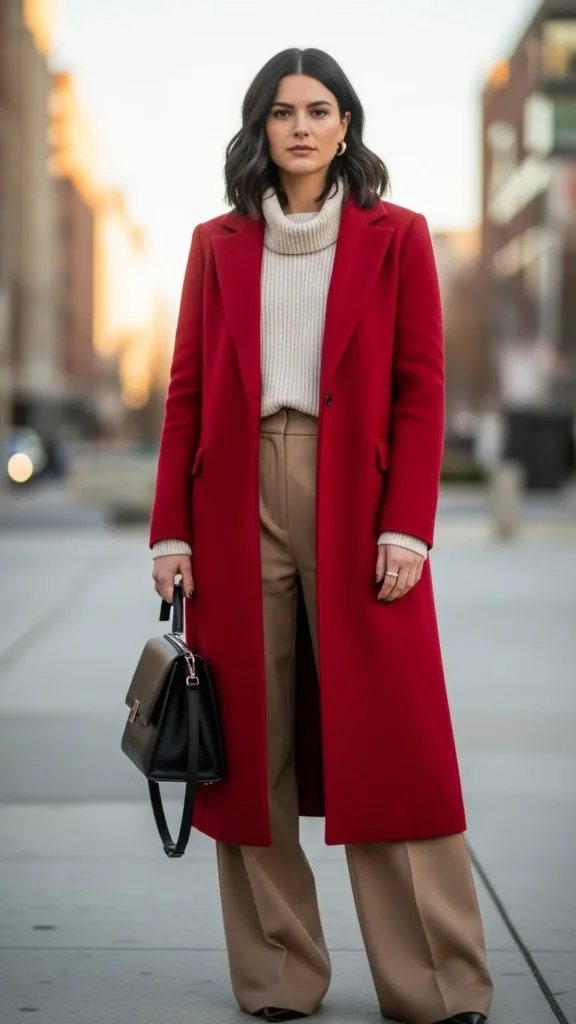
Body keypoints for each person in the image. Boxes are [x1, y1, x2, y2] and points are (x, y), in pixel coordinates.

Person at [150, 47, 494, 1024]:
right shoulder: (216, 245)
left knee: (395, 742)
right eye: (284, 111)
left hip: (359, 497)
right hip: (236, 498)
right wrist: (168, 529)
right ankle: (278, 977)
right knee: (246, 749)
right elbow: (184, 395)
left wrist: (409, 527)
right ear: (261, 128)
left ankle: (437, 983)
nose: (302, 125)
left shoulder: (399, 239)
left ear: (348, 126)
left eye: (322, 108)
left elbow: (421, 393)